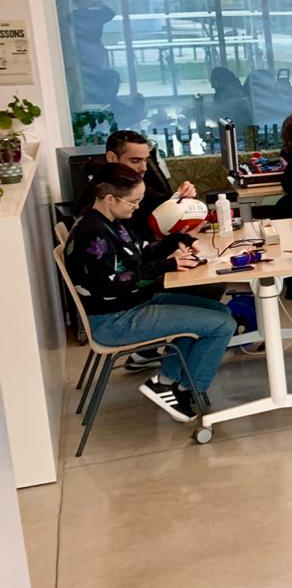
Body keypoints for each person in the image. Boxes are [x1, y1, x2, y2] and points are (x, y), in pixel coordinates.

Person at [64, 163, 236, 423]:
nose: (136, 207)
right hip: (115, 320)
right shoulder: (93, 234)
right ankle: (188, 388)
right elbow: (112, 284)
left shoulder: (109, 221)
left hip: (132, 303)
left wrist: (177, 240)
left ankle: (166, 381)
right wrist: (167, 265)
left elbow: (140, 251)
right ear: (109, 198)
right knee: (222, 325)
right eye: (133, 201)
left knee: (218, 311)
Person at [73, 129, 199, 241]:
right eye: (135, 161)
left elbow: (158, 201)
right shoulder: (94, 199)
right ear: (112, 158)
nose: (144, 168)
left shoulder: (131, 185)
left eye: (146, 160)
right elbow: (135, 251)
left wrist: (181, 195)